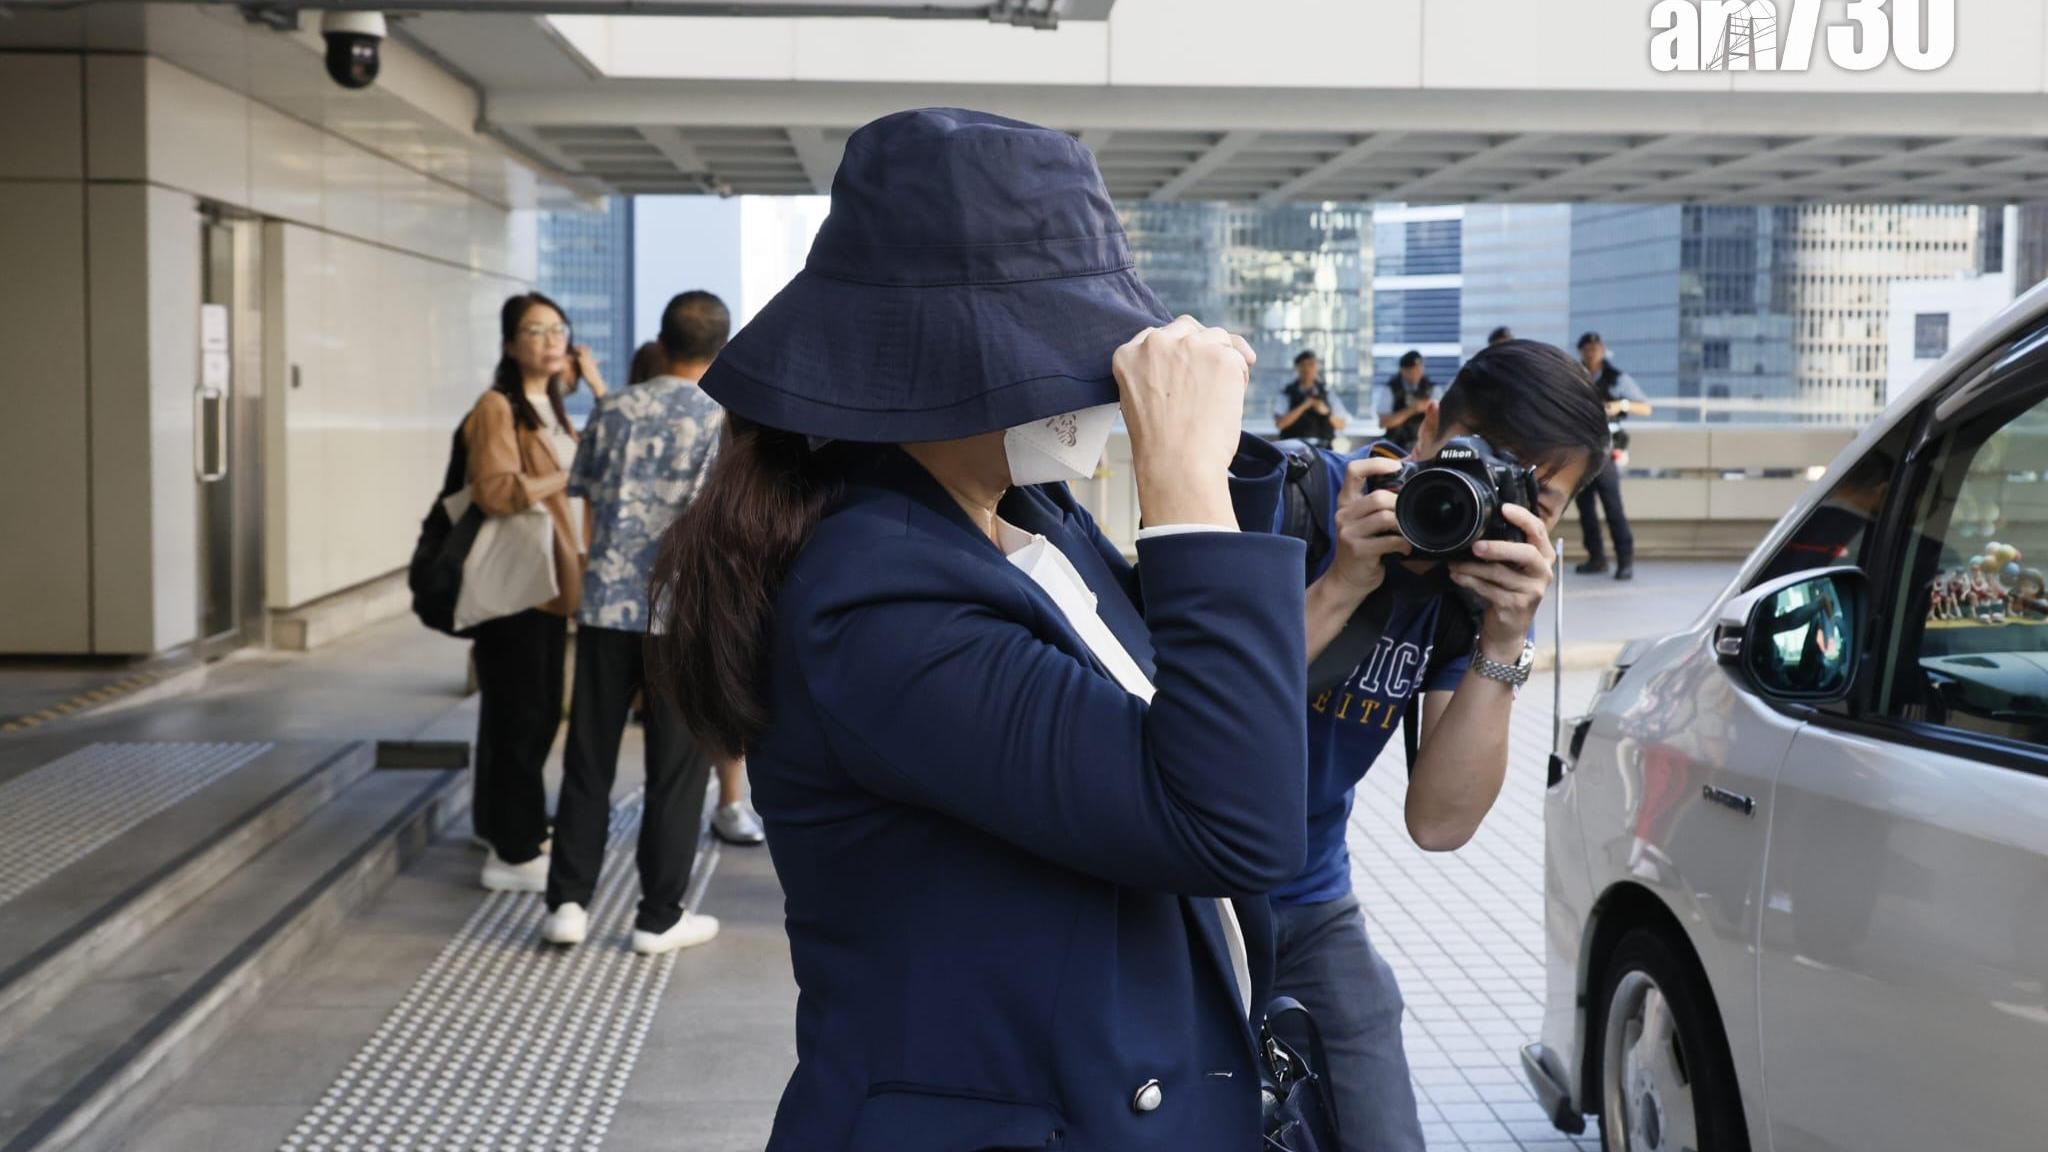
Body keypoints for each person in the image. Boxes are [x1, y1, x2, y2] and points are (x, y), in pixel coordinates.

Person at [652, 108, 1308, 1152]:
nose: (1101, 372)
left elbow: (1220, 719)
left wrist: (1342, 566)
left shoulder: (1024, 515)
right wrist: (1182, 479)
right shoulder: (875, 602)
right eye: (1068, 338)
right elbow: (1234, 820)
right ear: (944, 360)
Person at [1280, 340, 1610, 1152]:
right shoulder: (1297, 500)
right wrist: (1341, 584)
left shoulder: (1477, 598)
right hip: (1174, 885)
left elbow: (1439, 824)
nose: (1494, 509)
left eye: (1538, 498)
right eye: (1483, 466)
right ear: (1427, 429)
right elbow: (1189, 712)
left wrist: (1504, 636)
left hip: (1306, 892)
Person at [542, 292, 731, 954]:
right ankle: (658, 915)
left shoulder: (614, 408)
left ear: (663, 337)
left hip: (605, 607)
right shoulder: (725, 419)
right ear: (721, 347)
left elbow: (585, 499)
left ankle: (567, 902)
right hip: (683, 614)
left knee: (589, 756)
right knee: (677, 768)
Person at [465, 291, 604, 892]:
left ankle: (500, 826)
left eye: (557, 329)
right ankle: (514, 852)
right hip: (519, 583)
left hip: (550, 583)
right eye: (535, 331)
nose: (550, 340)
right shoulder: (498, 407)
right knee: (528, 712)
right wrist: (565, 476)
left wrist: (592, 380)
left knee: (526, 709)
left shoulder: (550, 406)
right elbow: (494, 490)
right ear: (508, 345)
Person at [1574, 331, 1652, 580]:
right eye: (1587, 348)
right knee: (1585, 507)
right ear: (1581, 351)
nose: (1592, 352)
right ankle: (1596, 558)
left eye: (1596, 347)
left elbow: (1645, 407)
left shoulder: (1617, 378)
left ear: (1603, 349)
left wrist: (1621, 406)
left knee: (1612, 506)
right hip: (1579, 448)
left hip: (1606, 448)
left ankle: (1624, 560)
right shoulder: (1574, 376)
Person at [1274, 349, 1349, 446]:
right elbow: (1280, 424)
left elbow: (1342, 424)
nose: (1307, 369)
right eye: (1303, 365)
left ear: (1316, 367)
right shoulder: (1287, 393)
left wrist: (1326, 413)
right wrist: (1303, 406)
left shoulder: (1328, 392)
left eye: (1311, 365)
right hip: (1293, 448)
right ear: (1297, 368)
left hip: (1322, 448)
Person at [1376, 349, 1435, 452]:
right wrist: (1412, 410)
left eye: (1419, 369)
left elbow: (1442, 421)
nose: (1416, 373)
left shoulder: (1432, 389)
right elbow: (1384, 422)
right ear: (1403, 370)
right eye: (1412, 370)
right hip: (1396, 445)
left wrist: (1429, 409)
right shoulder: (1390, 389)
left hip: (1424, 446)